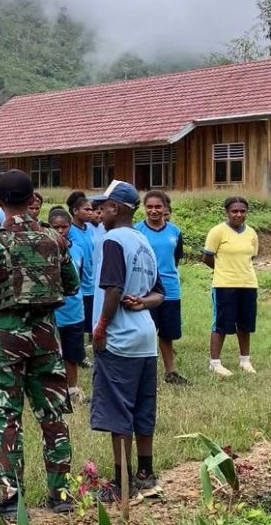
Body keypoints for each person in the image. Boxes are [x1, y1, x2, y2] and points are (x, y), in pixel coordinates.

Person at [0, 169, 79, 517]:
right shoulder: (55, 239)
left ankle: (12, 499)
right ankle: (60, 495)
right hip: (45, 338)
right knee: (53, 416)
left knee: (5, 417)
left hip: (4, 341)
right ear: (33, 200)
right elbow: (72, 285)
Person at [89, 180, 166, 501]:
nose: (99, 212)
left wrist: (101, 328)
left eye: (103, 207)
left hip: (119, 339)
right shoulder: (143, 241)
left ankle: (122, 482)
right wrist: (143, 303)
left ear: (117, 209)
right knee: (142, 408)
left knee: (118, 410)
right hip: (146, 338)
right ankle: (146, 473)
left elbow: (113, 288)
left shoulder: (113, 240)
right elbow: (159, 293)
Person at [201, 197, 259, 377]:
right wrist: (224, 271)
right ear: (227, 212)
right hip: (224, 285)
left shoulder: (251, 233)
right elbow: (207, 257)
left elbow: (252, 257)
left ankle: (245, 360)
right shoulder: (218, 232)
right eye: (235, 211)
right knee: (221, 324)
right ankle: (215, 363)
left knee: (245, 324)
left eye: (242, 211)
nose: (239, 214)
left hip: (248, 284)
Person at [135, 191, 188, 385]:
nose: (153, 210)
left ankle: (170, 372)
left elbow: (175, 260)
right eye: (149, 207)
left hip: (170, 290)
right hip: (145, 290)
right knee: (145, 332)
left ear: (165, 208)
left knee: (167, 333)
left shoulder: (175, 231)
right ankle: (142, 374)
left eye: (158, 207)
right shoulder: (137, 231)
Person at [47, 207, 87, 402]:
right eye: (56, 227)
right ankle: (51, 389)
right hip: (52, 311)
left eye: (64, 227)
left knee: (72, 353)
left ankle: (72, 388)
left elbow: (83, 278)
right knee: (51, 353)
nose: (61, 231)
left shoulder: (77, 249)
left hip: (74, 309)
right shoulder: (43, 250)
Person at [65, 191, 96, 355]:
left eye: (91, 209)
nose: (90, 212)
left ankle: (91, 340)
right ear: (75, 211)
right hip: (77, 283)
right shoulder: (69, 230)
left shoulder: (91, 229)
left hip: (92, 280)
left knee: (91, 314)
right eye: (86, 209)